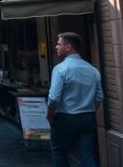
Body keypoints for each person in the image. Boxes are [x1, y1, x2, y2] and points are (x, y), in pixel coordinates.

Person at [46, 32, 103, 167]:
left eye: (59, 44)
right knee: (87, 156)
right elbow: (100, 97)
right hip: (88, 118)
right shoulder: (93, 70)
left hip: (65, 118)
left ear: (68, 47)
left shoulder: (60, 69)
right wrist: (89, 109)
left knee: (59, 152)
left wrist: (49, 115)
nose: (56, 47)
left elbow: (54, 98)